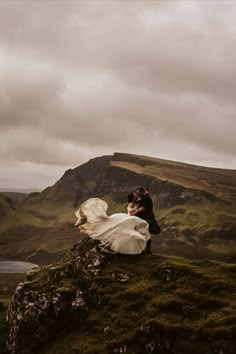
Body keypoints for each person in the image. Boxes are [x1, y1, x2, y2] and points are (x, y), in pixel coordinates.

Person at [75, 198, 151, 255]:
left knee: (110, 227)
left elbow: (130, 218)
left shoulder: (135, 222)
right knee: (110, 228)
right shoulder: (136, 222)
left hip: (124, 220)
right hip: (125, 221)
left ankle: (85, 219)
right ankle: (85, 219)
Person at [131, 187, 160, 254]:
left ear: (142, 192)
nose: (138, 194)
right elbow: (138, 204)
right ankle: (145, 250)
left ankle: (145, 250)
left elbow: (142, 208)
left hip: (146, 219)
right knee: (144, 233)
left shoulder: (146, 198)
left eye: (138, 193)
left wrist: (134, 213)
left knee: (144, 233)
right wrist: (134, 201)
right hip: (145, 218)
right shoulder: (144, 197)